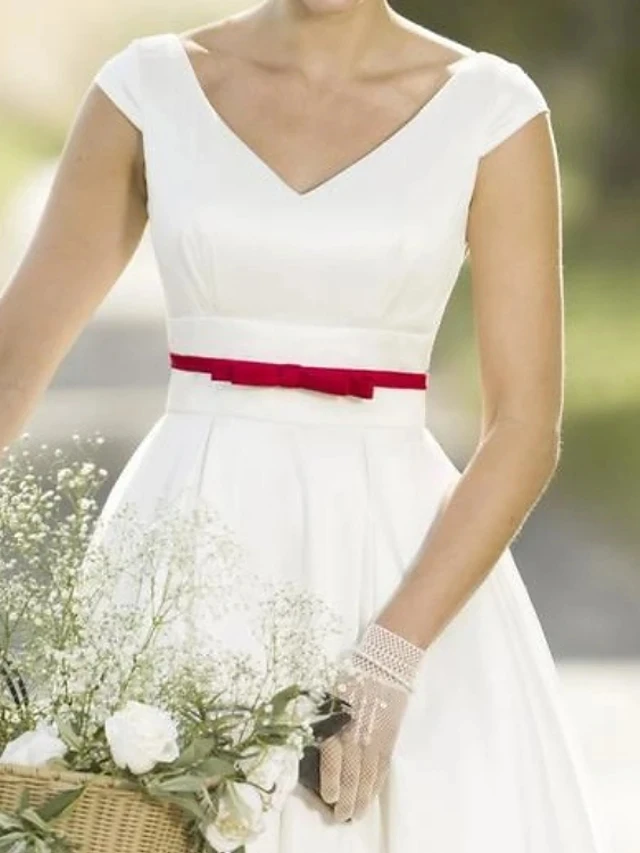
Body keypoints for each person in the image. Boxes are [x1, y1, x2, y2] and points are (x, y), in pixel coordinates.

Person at [0, 0, 610, 850]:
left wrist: (392, 657)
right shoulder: (148, 89)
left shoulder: (491, 109)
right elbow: (10, 364)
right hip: (181, 555)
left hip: (400, 566)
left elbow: (523, 427)